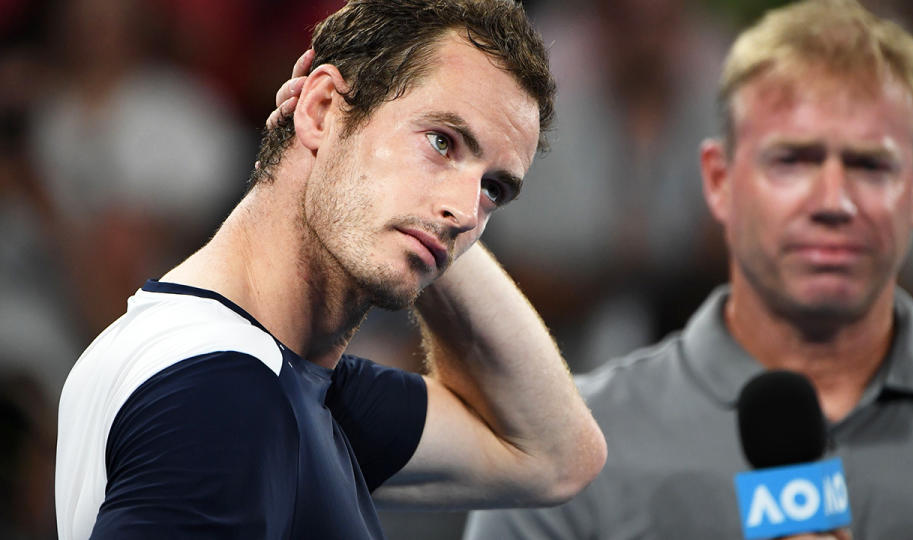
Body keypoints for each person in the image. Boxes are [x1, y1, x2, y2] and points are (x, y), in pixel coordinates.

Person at [54, 1, 607, 538]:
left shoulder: (269, 373)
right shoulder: (226, 396)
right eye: (442, 140)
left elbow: (556, 457)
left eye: (493, 188)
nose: (466, 214)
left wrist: (425, 220)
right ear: (320, 109)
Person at [465, 0, 913, 538]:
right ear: (720, 181)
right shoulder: (561, 454)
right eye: (791, 161)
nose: (832, 201)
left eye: (870, 164)